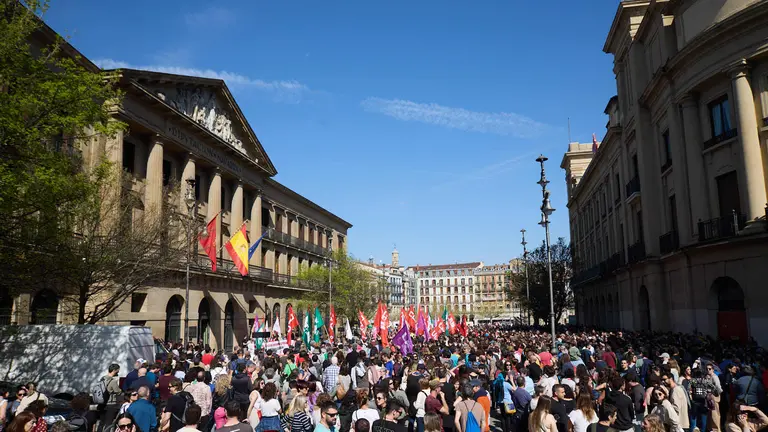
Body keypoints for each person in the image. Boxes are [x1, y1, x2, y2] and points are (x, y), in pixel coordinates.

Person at [100, 364, 123, 432]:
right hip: (110, 404)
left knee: (101, 423)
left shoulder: (102, 378)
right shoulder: (112, 381)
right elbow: (118, 392)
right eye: (118, 370)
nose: (118, 372)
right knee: (108, 423)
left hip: (101, 403)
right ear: (114, 370)